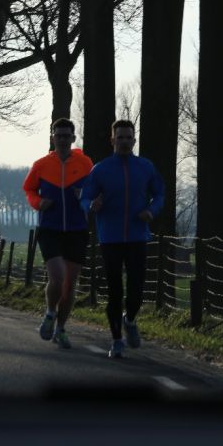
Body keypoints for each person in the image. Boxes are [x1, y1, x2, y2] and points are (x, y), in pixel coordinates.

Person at [80, 120, 164, 358]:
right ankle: (117, 340)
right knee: (115, 291)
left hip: (137, 236)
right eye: (120, 138)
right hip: (110, 238)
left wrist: (151, 211)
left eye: (129, 137)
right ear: (112, 140)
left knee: (136, 291)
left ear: (134, 140)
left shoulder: (145, 167)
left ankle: (130, 319)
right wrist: (92, 205)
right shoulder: (101, 169)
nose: (125, 142)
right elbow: (85, 198)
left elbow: (159, 194)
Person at [23, 118, 93, 349]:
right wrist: (38, 202)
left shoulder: (85, 163)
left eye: (66, 136)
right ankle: (50, 312)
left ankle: (61, 329)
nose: (62, 139)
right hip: (50, 228)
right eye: (58, 135)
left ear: (73, 138)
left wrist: (84, 195)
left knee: (70, 284)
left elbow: (94, 190)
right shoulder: (41, 164)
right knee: (57, 277)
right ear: (52, 138)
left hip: (77, 229)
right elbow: (29, 189)